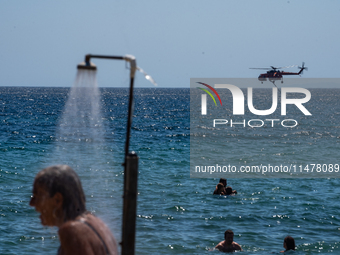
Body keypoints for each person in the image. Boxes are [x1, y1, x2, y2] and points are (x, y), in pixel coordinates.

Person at [30, 165, 118, 255]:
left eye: (37, 197)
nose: (31, 203)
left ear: (57, 199)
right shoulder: (99, 225)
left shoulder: (72, 231)